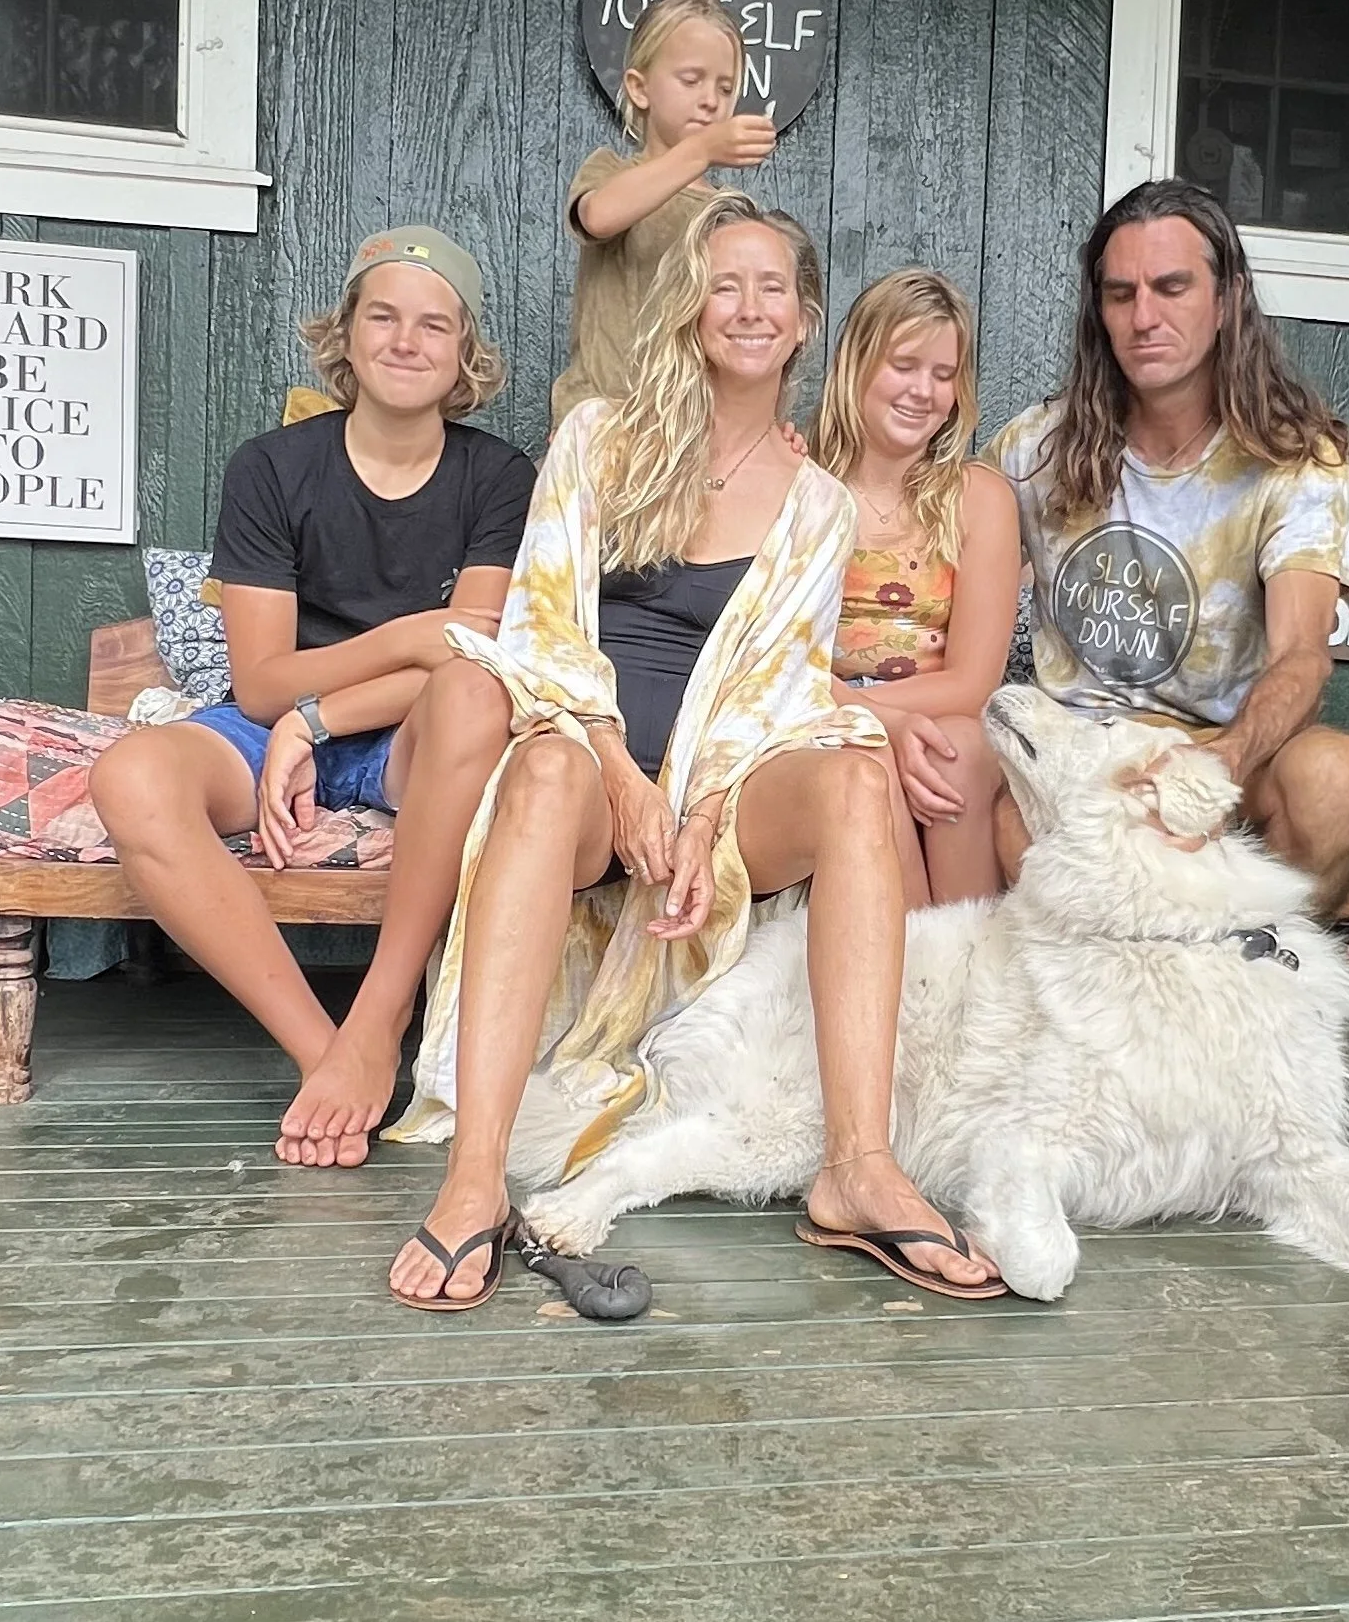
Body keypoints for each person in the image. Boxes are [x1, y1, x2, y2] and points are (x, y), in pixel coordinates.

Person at [387, 196, 1004, 1312]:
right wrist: (622, 776)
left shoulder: (816, 504)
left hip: (723, 786)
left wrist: (705, 808)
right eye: (727, 282)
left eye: (774, 287)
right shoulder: (601, 441)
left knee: (861, 772)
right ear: (690, 304)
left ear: (807, 320)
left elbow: (779, 680)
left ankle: (858, 1165)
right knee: (538, 769)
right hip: (589, 763)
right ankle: (473, 1178)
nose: (751, 305)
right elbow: (542, 624)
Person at [90, 228, 530, 1167]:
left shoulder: (498, 477)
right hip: (263, 725)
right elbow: (259, 681)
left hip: (407, 728)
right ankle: (324, 1051)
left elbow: (481, 661)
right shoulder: (274, 467)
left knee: (473, 700)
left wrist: (319, 715)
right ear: (346, 335)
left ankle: (380, 1010)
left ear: (464, 355)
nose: (407, 341)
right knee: (132, 777)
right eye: (383, 315)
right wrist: (410, 634)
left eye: (434, 324)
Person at [992, 180, 1349, 906]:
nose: (1144, 317)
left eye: (1172, 287)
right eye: (1120, 294)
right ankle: (1101, 984)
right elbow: (925, 548)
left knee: (1336, 777)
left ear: (1227, 298)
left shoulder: (1295, 457)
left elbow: (1303, 654)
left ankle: (1252, 971)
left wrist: (1223, 759)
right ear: (1098, 311)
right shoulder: (1033, 448)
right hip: (1080, 750)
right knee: (1000, 796)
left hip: (1223, 748)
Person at [814, 268, 1021, 906]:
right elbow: (772, 652)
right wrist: (873, 721)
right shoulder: (800, 484)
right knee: (867, 764)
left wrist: (890, 715)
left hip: (942, 713)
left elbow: (974, 679)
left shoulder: (978, 496)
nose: (923, 391)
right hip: (818, 706)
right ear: (857, 365)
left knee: (954, 750)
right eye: (904, 365)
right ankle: (907, 969)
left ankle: (962, 965)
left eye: (943, 373)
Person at [554, 0, 777, 420]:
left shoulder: (730, 212)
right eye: (691, 80)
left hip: (690, 431)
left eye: (726, 87)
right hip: (602, 420)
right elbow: (599, 216)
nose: (711, 100)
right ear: (639, 89)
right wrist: (701, 151)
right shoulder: (610, 171)